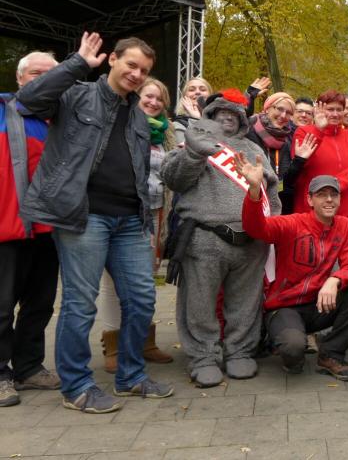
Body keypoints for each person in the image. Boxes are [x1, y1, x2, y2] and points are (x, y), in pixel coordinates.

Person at [17, 32, 173, 413]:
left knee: (142, 298)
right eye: (131, 65)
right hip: (84, 217)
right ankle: (76, 387)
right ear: (113, 60)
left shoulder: (138, 115)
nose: (137, 74)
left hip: (129, 221)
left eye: (144, 70)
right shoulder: (77, 94)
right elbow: (28, 100)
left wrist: (145, 218)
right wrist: (77, 64)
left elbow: (140, 172)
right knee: (80, 303)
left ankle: (130, 376)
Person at [162, 89, 280, 387]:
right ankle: (203, 356)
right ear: (210, 116)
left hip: (250, 241)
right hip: (205, 238)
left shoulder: (253, 149)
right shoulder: (194, 141)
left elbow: (272, 192)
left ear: (243, 119)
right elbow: (173, 179)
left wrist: (270, 229)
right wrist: (194, 153)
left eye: (233, 114)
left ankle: (240, 350)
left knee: (246, 302)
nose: (227, 118)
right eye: (221, 113)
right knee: (199, 303)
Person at [237, 164, 348, 381]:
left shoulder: (343, 225)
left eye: (334, 195)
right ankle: (285, 343)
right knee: (293, 349)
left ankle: (331, 354)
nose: (329, 200)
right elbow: (255, 228)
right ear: (309, 200)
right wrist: (254, 190)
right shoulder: (292, 223)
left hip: (319, 304)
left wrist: (335, 279)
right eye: (322, 195)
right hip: (284, 306)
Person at [98, 78, 176, 373]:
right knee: (113, 281)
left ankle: (145, 341)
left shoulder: (166, 133)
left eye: (159, 99)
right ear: (136, 97)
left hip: (156, 214)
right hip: (124, 213)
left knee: (147, 280)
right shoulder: (120, 124)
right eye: (148, 96)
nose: (154, 102)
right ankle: (114, 344)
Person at [0, 51, 61, 407]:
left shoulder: (61, 118)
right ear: (20, 78)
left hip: (49, 229)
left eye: (52, 74)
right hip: (7, 227)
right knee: (2, 305)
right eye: (37, 73)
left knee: (40, 302)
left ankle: (28, 367)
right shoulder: (3, 109)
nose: (45, 80)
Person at [292, 91, 348, 218]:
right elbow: (302, 165)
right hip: (313, 212)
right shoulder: (303, 132)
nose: (335, 114)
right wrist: (319, 131)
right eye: (330, 109)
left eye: (339, 110)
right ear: (319, 109)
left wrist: (335, 184)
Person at [245, 92, 295, 213]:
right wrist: (249, 96)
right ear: (267, 108)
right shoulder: (249, 128)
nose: (283, 115)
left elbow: (284, 176)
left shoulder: (286, 140)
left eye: (288, 112)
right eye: (280, 109)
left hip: (271, 200)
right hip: (245, 193)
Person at [173, 77, 213, 145]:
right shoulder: (177, 126)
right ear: (184, 97)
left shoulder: (219, 122)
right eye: (191, 90)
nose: (197, 92)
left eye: (203, 89)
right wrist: (196, 119)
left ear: (210, 96)